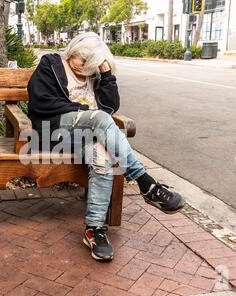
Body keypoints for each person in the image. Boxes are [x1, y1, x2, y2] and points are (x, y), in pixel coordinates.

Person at [27, 32, 185, 261]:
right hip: (54, 133)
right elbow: (42, 101)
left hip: (88, 136)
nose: (84, 67)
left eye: (90, 64)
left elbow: (111, 106)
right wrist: (85, 113)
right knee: (99, 118)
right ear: (72, 51)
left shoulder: (94, 74)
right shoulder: (50, 64)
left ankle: (94, 230)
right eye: (82, 61)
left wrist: (106, 73)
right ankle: (146, 183)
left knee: (101, 160)